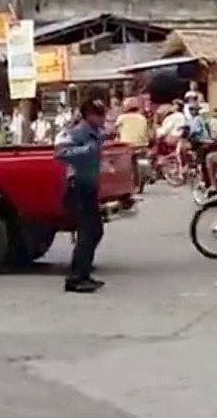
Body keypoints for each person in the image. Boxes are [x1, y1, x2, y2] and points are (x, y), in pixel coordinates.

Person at [54, 98, 108, 294]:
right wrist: (87, 150)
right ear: (90, 116)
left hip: (89, 186)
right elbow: (60, 153)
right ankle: (76, 278)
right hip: (77, 186)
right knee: (87, 232)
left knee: (95, 231)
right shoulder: (77, 132)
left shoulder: (97, 133)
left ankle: (83, 274)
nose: (103, 119)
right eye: (99, 115)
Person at [114, 97, 150, 189]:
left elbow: (115, 130)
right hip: (141, 144)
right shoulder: (142, 118)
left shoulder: (121, 118)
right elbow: (146, 131)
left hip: (126, 145)